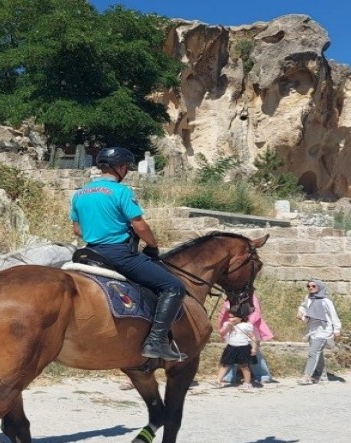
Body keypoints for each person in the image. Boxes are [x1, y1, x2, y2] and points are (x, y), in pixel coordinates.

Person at [70, 147, 186, 361]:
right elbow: (139, 226)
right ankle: (156, 342)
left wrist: (99, 230)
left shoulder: (79, 194)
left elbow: (77, 230)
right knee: (174, 286)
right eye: (126, 168)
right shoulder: (121, 192)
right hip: (118, 254)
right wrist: (153, 245)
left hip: (89, 252)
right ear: (121, 167)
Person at [217, 293, 274, 384]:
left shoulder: (250, 295)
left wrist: (246, 322)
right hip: (232, 328)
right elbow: (224, 312)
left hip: (248, 327)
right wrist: (224, 324)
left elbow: (256, 312)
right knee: (232, 354)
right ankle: (230, 376)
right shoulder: (229, 296)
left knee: (254, 354)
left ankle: (263, 375)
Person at [296, 279, 341, 385]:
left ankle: (307, 376)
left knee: (313, 352)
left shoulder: (326, 301)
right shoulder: (308, 298)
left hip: (324, 330)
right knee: (318, 353)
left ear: (319, 287)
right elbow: (303, 306)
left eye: (313, 286)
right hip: (312, 330)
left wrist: (337, 329)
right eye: (309, 286)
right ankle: (322, 376)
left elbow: (333, 315)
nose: (311, 288)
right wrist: (300, 312)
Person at [213, 313, 258, 391]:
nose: (231, 319)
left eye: (233, 317)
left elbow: (253, 337)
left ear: (241, 318)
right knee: (225, 364)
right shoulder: (227, 324)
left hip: (243, 347)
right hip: (231, 347)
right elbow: (222, 334)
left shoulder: (246, 325)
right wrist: (228, 327)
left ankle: (247, 383)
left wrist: (254, 348)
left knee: (244, 366)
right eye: (229, 317)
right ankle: (218, 381)